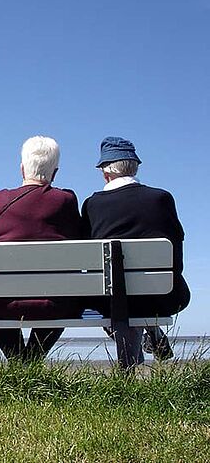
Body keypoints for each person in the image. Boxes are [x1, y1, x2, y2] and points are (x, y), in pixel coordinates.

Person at [0, 136, 84, 361]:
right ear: (55, 173)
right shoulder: (66, 200)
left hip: (1, 304)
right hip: (55, 305)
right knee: (69, 294)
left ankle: (17, 359)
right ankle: (32, 358)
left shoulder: (0, 199)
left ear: (22, 168)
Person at [81, 136, 190, 361]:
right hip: (163, 296)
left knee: (112, 294)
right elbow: (176, 252)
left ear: (105, 172)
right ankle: (152, 332)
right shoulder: (161, 198)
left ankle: (134, 359)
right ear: (135, 167)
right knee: (136, 295)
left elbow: (86, 260)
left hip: (108, 300)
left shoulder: (92, 205)